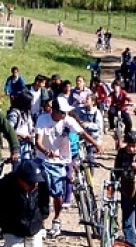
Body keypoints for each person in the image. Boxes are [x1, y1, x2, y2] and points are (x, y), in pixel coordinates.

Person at [35, 97, 103, 238]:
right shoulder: (43, 120)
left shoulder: (68, 120)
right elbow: (38, 141)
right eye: (62, 112)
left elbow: (82, 133)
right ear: (54, 111)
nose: (64, 115)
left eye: (66, 112)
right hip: (43, 159)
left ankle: (57, 219)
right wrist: (46, 152)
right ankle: (41, 223)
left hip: (60, 160)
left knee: (58, 193)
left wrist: (96, 144)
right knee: (42, 192)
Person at [7, 92, 35, 170]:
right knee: (17, 167)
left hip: (27, 145)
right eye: (30, 102)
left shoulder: (28, 112)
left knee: (27, 167)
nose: (32, 104)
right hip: (17, 145)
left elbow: (30, 126)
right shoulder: (14, 114)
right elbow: (9, 130)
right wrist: (22, 135)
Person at [75, 93, 104, 162]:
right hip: (82, 138)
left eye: (87, 99)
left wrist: (88, 125)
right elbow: (71, 110)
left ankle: (90, 170)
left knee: (90, 157)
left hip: (93, 139)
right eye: (85, 99)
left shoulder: (96, 112)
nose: (85, 100)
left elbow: (99, 127)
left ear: (93, 102)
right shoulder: (80, 110)